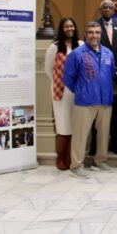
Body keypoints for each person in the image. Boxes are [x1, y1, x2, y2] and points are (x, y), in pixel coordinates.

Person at [63, 22, 115, 179]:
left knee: (104, 133)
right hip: (85, 101)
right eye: (91, 32)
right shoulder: (76, 54)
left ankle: (99, 161)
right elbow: (68, 78)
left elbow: (110, 74)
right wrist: (82, 90)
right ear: (85, 35)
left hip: (105, 100)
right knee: (80, 134)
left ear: (101, 35)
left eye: (97, 32)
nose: (94, 35)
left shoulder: (108, 53)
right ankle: (76, 166)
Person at [44, 18, 83, 170]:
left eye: (71, 26)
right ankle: (60, 157)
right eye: (66, 26)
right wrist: (61, 82)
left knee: (74, 125)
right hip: (61, 91)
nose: (69, 29)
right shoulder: (54, 47)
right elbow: (48, 70)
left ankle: (69, 156)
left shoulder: (80, 45)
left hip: (77, 92)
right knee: (63, 125)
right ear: (61, 29)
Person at [95, 0, 117, 155]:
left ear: (115, 10)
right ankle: (95, 146)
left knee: (116, 112)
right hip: (99, 75)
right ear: (100, 9)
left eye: (110, 7)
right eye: (105, 7)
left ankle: (116, 143)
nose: (108, 9)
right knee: (98, 111)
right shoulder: (94, 26)